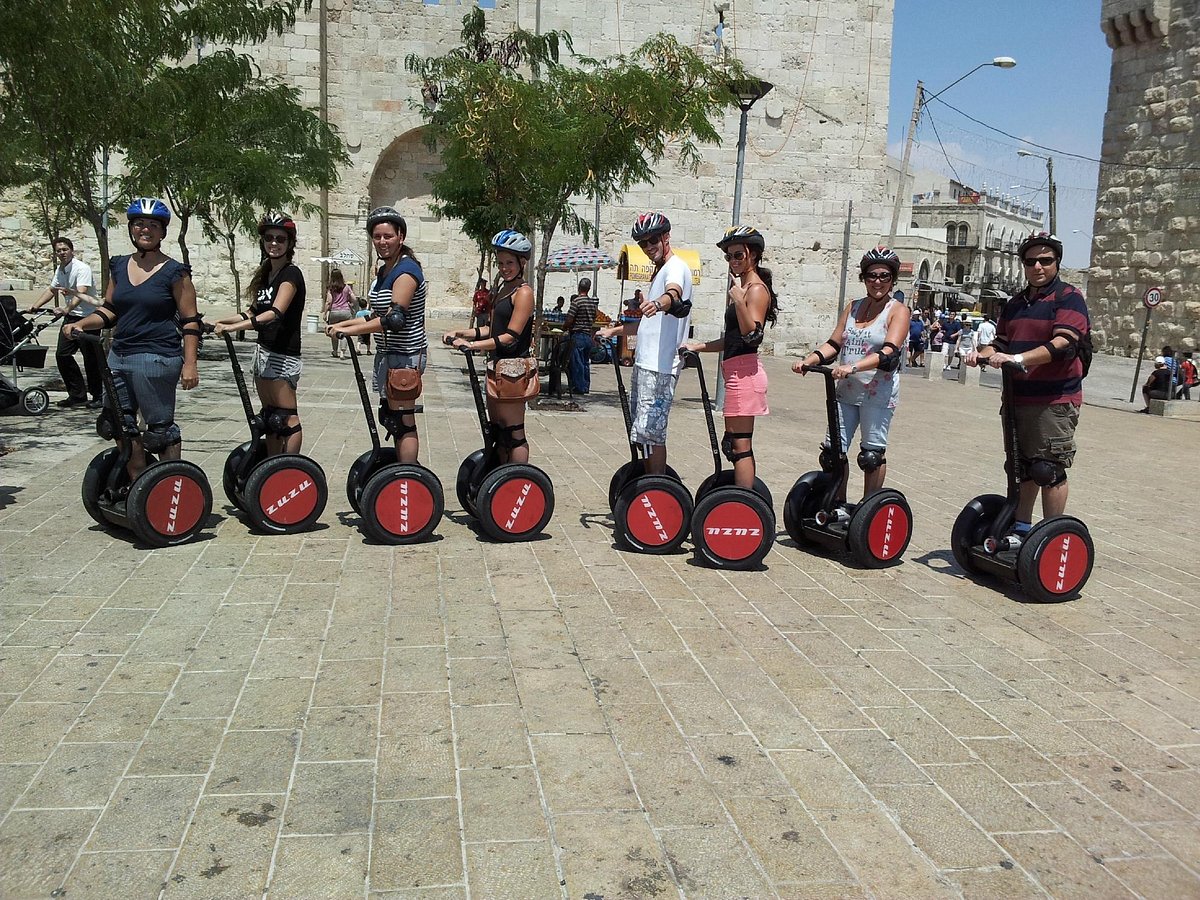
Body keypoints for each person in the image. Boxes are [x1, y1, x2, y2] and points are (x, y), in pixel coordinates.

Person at [62, 198, 202, 479]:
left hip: (157, 358)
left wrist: (190, 364)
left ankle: (172, 486)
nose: (145, 230)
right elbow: (109, 310)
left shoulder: (176, 272)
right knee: (116, 422)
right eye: (139, 224)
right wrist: (80, 323)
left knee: (159, 432)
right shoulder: (119, 265)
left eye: (153, 225)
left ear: (162, 232)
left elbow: (190, 321)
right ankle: (139, 479)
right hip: (119, 355)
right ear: (131, 228)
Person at [965, 231, 1090, 533]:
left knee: (1048, 469)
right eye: (1031, 261)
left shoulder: (1069, 297)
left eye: (1045, 260)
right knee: (1022, 469)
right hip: (1017, 398)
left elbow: (1062, 342)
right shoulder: (1016, 303)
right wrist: (979, 354)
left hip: (1054, 401)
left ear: (1056, 262)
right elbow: (1000, 343)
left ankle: (1051, 536)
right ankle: (1021, 529)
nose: (1038, 266)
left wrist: (1018, 360)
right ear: (1023, 264)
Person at [794, 246, 910, 502]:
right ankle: (839, 502)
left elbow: (889, 352)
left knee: (871, 456)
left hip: (878, 393)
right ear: (864, 278)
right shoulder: (853, 307)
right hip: (846, 391)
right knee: (832, 452)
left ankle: (869, 510)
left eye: (884, 276)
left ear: (892, 279)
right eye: (871, 276)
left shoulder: (898, 310)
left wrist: (853, 367)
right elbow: (834, 344)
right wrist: (809, 360)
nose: (877, 281)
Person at [327, 207, 428, 463]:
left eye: (388, 236)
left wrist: (348, 328)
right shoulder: (384, 271)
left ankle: (408, 476)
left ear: (401, 237)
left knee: (404, 421)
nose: (382, 242)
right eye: (377, 236)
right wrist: (346, 326)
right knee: (392, 417)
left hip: (405, 356)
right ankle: (399, 473)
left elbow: (394, 319)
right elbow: (374, 316)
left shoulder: (406, 271)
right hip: (389, 354)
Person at [596, 212, 693, 475]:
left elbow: (674, 294)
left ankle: (657, 489)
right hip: (645, 363)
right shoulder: (659, 272)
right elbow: (647, 323)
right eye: (643, 243)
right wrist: (614, 331)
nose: (649, 247)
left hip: (660, 366)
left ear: (665, 237)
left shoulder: (675, 268)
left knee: (652, 434)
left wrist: (660, 302)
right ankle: (650, 483)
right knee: (642, 433)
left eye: (652, 240)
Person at [684, 225, 777, 488]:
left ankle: (744, 505)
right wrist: (699, 346)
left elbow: (752, 336)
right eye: (729, 256)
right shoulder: (744, 287)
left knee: (741, 446)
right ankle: (739, 499)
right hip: (735, 371)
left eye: (738, 255)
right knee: (733, 444)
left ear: (754, 255)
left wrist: (738, 301)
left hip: (746, 373)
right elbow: (733, 340)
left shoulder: (755, 290)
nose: (732, 261)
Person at [212, 214, 307, 454]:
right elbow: (253, 311)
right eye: (269, 238)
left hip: (283, 354)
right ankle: (272, 468)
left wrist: (235, 328)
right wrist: (220, 321)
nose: (274, 243)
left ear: (289, 243)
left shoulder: (290, 274)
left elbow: (275, 312)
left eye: (280, 239)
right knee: (270, 417)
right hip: (263, 352)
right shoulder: (266, 274)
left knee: (287, 417)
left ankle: (290, 467)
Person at [444, 230, 537, 464]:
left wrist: (472, 345)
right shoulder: (502, 290)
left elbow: (510, 336)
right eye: (501, 263)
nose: (504, 267)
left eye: (510, 263)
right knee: (498, 431)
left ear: (522, 263)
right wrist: (462, 333)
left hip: (514, 371)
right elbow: (492, 330)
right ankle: (499, 481)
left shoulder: (523, 293)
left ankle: (517, 480)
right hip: (497, 368)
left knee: (514, 433)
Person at [29, 237, 101, 407]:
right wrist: (35, 306)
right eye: (59, 250)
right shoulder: (60, 269)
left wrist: (66, 309)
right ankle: (77, 396)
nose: (62, 253)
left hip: (88, 318)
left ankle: (99, 396)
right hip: (72, 317)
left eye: (65, 249)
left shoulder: (82, 268)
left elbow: (81, 291)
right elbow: (52, 289)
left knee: (91, 359)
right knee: (62, 355)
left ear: (71, 250)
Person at [564, 277, 599, 394]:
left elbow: (569, 318)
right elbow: (594, 317)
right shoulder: (592, 304)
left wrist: (565, 327)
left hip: (577, 335)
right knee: (585, 363)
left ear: (579, 287)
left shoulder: (576, 302)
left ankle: (578, 387)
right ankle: (585, 386)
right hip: (587, 335)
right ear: (588, 289)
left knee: (577, 362)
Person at [322, 268, 356, 358]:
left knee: (334, 330)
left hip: (334, 312)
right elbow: (354, 299)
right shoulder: (346, 287)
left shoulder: (331, 288)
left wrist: (325, 313)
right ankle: (342, 352)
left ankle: (335, 350)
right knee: (345, 331)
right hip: (345, 312)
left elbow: (329, 301)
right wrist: (350, 302)